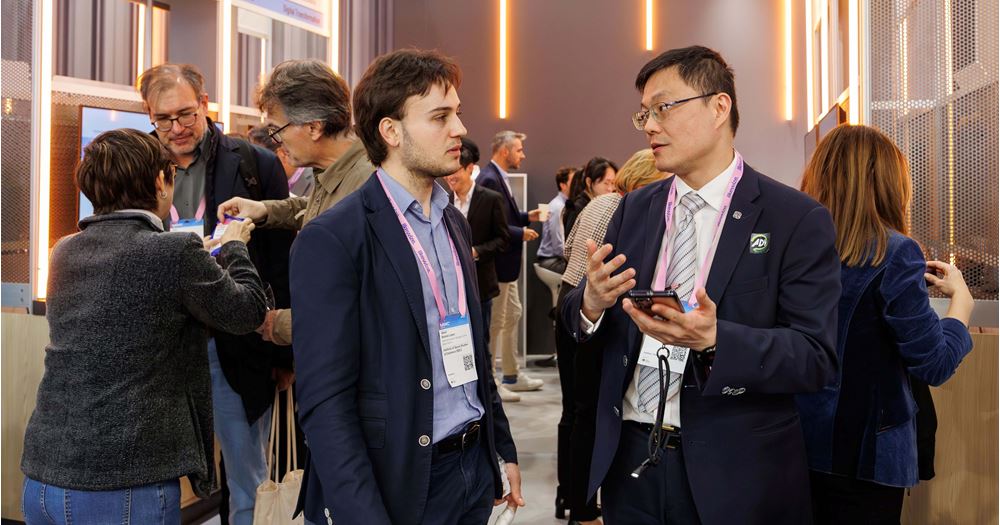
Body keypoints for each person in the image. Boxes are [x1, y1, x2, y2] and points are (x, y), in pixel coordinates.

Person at [561, 45, 841, 524]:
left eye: (664, 108)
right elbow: (575, 319)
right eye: (644, 113)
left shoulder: (794, 218)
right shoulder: (632, 210)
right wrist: (589, 303)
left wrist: (716, 340)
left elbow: (816, 358)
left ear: (719, 107)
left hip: (735, 473)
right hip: (631, 460)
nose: (650, 125)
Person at [290, 48, 523, 525]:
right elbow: (325, 403)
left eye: (457, 113)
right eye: (440, 116)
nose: (459, 129)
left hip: (472, 468)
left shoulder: (453, 221)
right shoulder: (335, 238)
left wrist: (501, 446)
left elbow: (471, 348)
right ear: (390, 131)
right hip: (398, 478)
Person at [21, 129, 267, 524]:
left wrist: (194, 259)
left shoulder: (64, 249)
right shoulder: (172, 251)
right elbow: (247, 312)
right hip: (124, 479)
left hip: (45, 474)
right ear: (160, 181)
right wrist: (236, 244)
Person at [138, 62, 295, 525]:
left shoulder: (253, 164)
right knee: (160, 473)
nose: (176, 128)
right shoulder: (142, 165)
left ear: (204, 105)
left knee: (247, 478)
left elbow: (280, 258)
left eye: (185, 114)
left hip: (234, 342)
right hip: (164, 347)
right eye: (163, 119)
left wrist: (285, 355)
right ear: (149, 115)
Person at [796, 124, 974, 524]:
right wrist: (960, 300)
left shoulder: (795, 247)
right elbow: (935, 363)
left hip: (793, 445)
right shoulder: (894, 252)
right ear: (889, 183)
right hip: (865, 459)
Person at [217, 59, 374, 347]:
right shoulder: (335, 172)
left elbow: (358, 303)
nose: (277, 142)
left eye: (278, 130)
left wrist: (278, 324)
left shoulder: (368, 186)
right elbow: (315, 210)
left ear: (314, 127)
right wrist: (264, 210)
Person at [555, 149, 668, 524]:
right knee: (587, 413)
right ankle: (583, 510)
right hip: (590, 311)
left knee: (576, 412)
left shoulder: (599, 205)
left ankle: (572, 501)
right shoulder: (621, 211)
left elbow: (568, 249)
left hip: (576, 304)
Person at [477, 130, 546, 395]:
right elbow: (494, 225)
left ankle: (511, 373)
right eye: (518, 149)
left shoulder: (498, 177)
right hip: (499, 265)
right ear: (504, 151)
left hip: (508, 265)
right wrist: (521, 232)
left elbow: (506, 216)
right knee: (497, 321)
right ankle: (493, 380)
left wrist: (528, 216)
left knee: (512, 315)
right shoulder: (490, 179)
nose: (522, 154)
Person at [445, 138, 515, 400]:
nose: (450, 176)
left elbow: (503, 239)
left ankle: (486, 395)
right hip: (450, 288)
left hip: (481, 285)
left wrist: (476, 251)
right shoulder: (442, 201)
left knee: (481, 343)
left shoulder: (490, 199)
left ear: (469, 168)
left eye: (456, 170)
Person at [248, 125, 314, 197]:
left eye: (259, 162)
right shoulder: (274, 183)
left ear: (283, 154)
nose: (256, 168)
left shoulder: (315, 183)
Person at [562, 157, 618, 238]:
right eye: (606, 183)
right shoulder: (577, 208)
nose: (610, 189)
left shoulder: (597, 205)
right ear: (589, 182)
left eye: (613, 183)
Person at [536, 166, 576, 274]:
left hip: (556, 258)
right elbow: (558, 245)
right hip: (551, 259)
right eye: (573, 181)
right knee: (579, 272)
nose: (577, 185)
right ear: (563, 185)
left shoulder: (565, 205)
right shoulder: (558, 207)